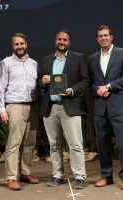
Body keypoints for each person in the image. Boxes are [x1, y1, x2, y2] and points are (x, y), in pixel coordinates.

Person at [38, 28, 89, 189]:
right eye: (59, 39)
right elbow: (39, 84)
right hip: (50, 108)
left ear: (69, 42)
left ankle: (80, 177)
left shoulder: (79, 58)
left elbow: (85, 81)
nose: (62, 42)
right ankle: (57, 175)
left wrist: (72, 90)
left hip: (70, 106)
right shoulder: (46, 60)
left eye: (65, 40)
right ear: (56, 41)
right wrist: (43, 81)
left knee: (75, 145)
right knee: (54, 145)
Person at [88, 25, 123, 190]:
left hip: (120, 107)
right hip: (100, 108)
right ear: (97, 38)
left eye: (106, 35)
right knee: (103, 145)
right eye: (100, 36)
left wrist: (108, 86)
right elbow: (90, 82)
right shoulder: (92, 58)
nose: (103, 38)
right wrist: (98, 89)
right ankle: (106, 176)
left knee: (122, 145)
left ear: (111, 37)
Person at [0, 33, 39, 191]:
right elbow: (0, 88)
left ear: (26, 44)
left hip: (33, 106)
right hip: (14, 106)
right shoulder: (6, 63)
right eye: (16, 44)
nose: (19, 46)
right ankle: (11, 177)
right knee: (14, 143)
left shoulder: (34, 63)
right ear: (12, 46)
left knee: (30, 143)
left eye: (22, 43)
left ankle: (25, 173)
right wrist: (1, 109)